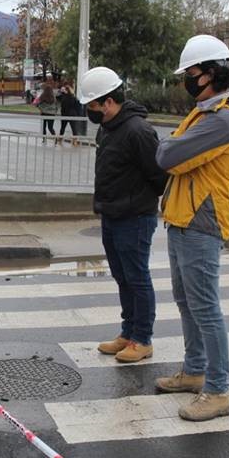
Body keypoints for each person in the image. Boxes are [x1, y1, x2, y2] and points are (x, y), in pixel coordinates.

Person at [155, 35, 229, 421]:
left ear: (212, 73)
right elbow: (174, 153)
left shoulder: (223, 119)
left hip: (201, 221)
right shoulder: (205, 111)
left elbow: (167, 155)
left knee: (206, 308)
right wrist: (175, 147)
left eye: (192, 73)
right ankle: (195, 371)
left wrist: (174, 146)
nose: (188, 80)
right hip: (182, 218)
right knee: (187, 301)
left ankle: (218, 390)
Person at [78, 67, 168, 364]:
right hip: (111, 214)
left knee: (137, 277)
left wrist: (136, 200)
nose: (90, 111)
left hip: (135, 217)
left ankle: (142, 339)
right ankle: (128, 333)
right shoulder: (109, 127)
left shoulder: (138, 131)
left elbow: (158, 176)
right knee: (122, 277)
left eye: (92, 105)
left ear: (108, 101)